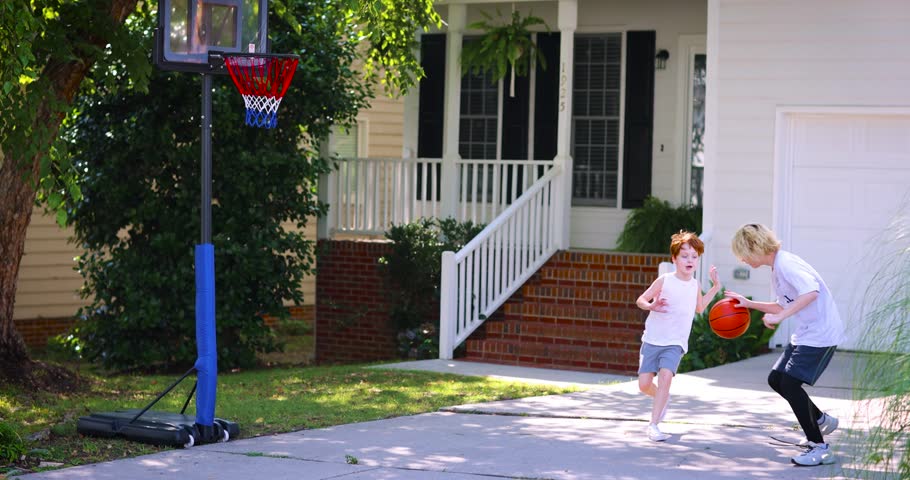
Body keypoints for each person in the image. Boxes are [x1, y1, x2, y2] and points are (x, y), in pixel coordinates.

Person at [725, 223, 844, 466]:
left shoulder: (786, 264)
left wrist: (780, 317)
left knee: (790, 384)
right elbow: (782, 304)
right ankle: (821, 419)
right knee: (776, 379)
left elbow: (811, 292)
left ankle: (819, 447)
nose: (744, 261)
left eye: (744, 255)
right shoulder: (777, 268)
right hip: (806, 332)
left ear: (754, 247)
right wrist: (749, 304)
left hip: (821, 334)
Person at [635, 230, 721, 442]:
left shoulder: (695, 285)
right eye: (685, 256)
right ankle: (662, 398)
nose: (690, 260)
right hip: (653, 339)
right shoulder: (665, 280)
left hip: (675, 342)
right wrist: (651, 305)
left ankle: (654, 424)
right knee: (644, 385)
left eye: (694, 256)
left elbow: (700, 308)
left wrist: (716, 287)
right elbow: (641, 300)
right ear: (674, 258)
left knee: (665, 377)